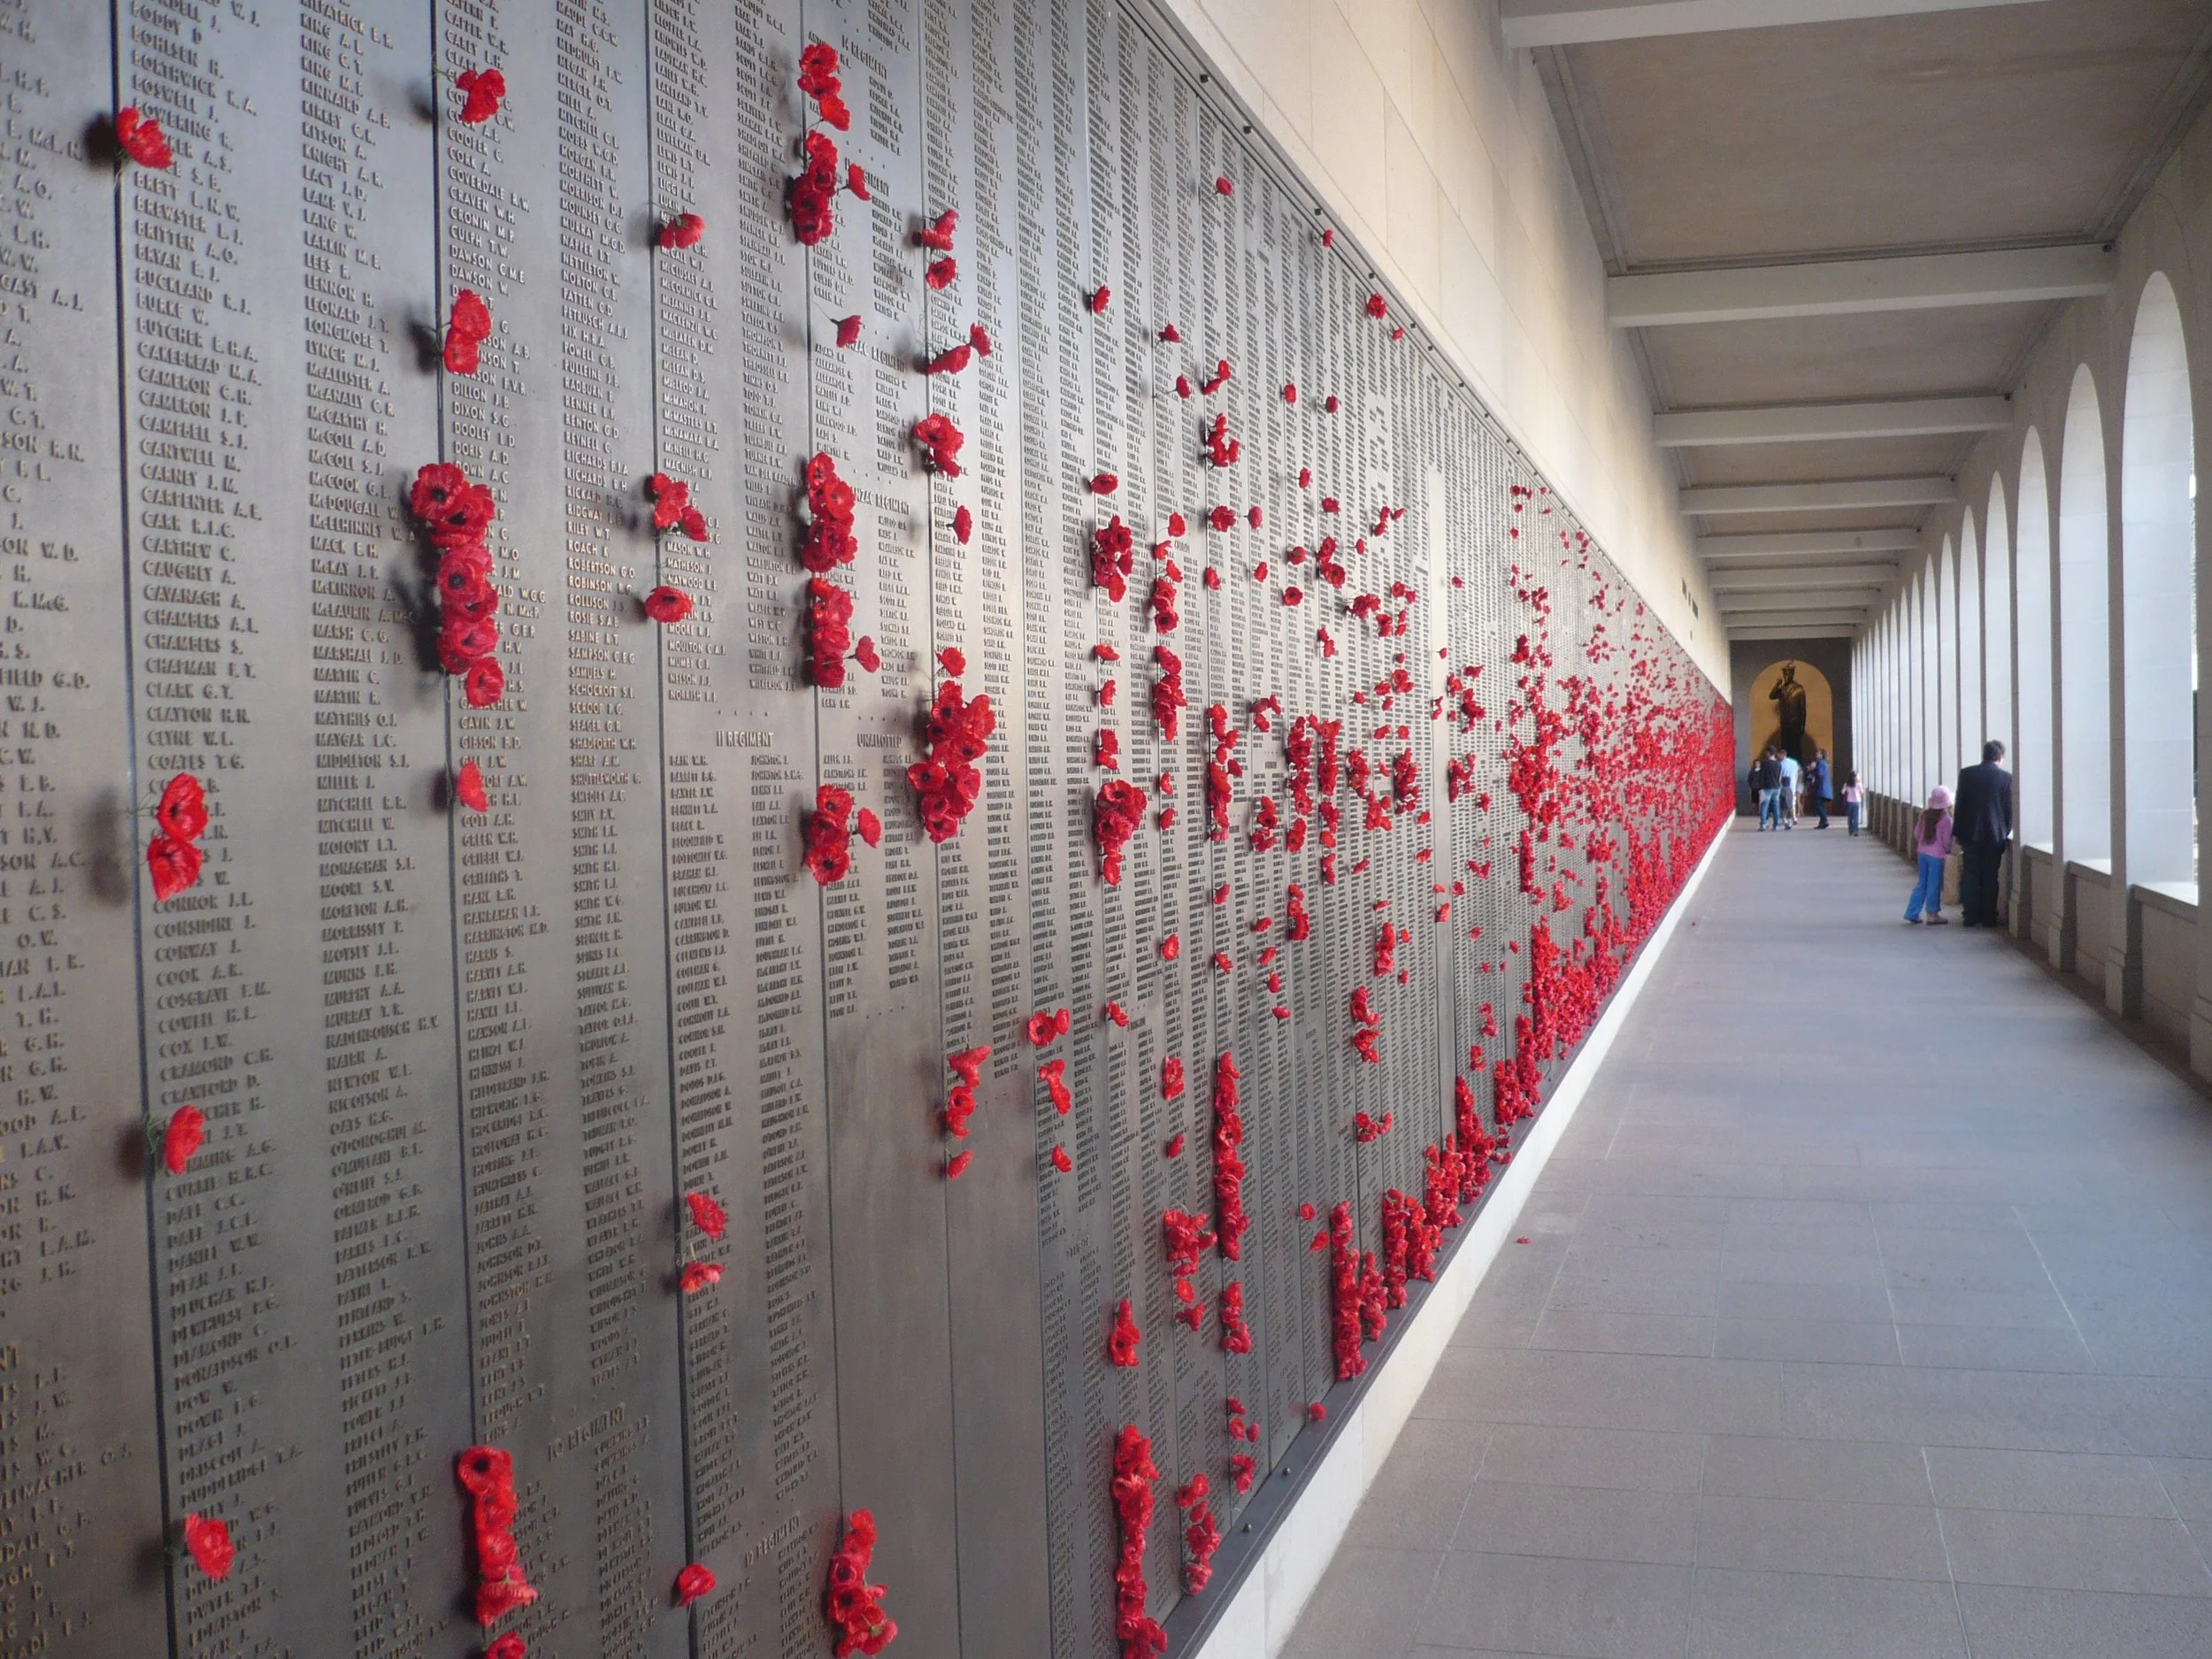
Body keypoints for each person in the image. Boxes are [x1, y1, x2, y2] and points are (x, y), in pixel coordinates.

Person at [1951, 740, 2014, 927]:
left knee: (1971, 873)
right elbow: (2009, 811)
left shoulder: (1967, 774)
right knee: (1990, 875)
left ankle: (1970, 916)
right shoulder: (2006, 778)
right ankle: (1988, 916)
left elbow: (1960, 805)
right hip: (1994, 836)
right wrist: (2005, 831)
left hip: (1970, 833)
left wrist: (1958, 832)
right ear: (2000, 758)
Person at [1904, 786, 1955, 926]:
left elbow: (1917, 834)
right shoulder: (1946, 820)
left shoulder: (1924, 815)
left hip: (1922, 853)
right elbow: (1947, 842)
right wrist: (1949, 850)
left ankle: (1912, 912)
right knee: (1934, 884)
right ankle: (1932, 914)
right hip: (1937, 857)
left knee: (1922, 884)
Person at [1755, 747, 1784, 830]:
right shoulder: (1779, 764)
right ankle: (1776, 825)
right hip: (1777, 787)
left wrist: (1760, 788)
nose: (1765, 754)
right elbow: (1779, 776)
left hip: (1766, 787)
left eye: (1766, 752)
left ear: (1769, 753)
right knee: (1776, 806)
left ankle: (1763, 824)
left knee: (1764, 806)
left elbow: (1761, 776)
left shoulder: (1764, 763)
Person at [1808, 748, 1832, 829]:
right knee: (1821, 805)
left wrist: (1813, 768)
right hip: (1823, 788)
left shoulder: (1821, 763)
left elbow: (1819, 774)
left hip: (1821, 788)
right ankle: (1822, 823)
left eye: (1818, 753)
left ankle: (1825, 820)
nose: (1816, 754)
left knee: (1817, 805)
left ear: (1822, 755)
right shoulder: (1824, 763)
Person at [1778, 750, 1801, 830]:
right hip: (1793, 784)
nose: (1778, 757)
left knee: (1784, 803)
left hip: (1784, 785)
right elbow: (1798, 772)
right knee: (1792, 802)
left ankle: (1785, 818)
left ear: (1783, 755)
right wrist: (1795, 780)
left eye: (1779, 755)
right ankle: (1794, 817)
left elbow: (1780, 775)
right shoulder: (1794, 762)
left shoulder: (1781, 764)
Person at [1841, 770, 1865, 837]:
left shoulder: (1847, 784)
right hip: (1857, 802)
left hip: (1849, 802)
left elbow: (1842, 792)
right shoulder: (1858, 784)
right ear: (1855, 777)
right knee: (1856, 817)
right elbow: (1862, 792)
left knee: (1850, 817)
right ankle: (1856, 831)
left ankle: (1850, 831)